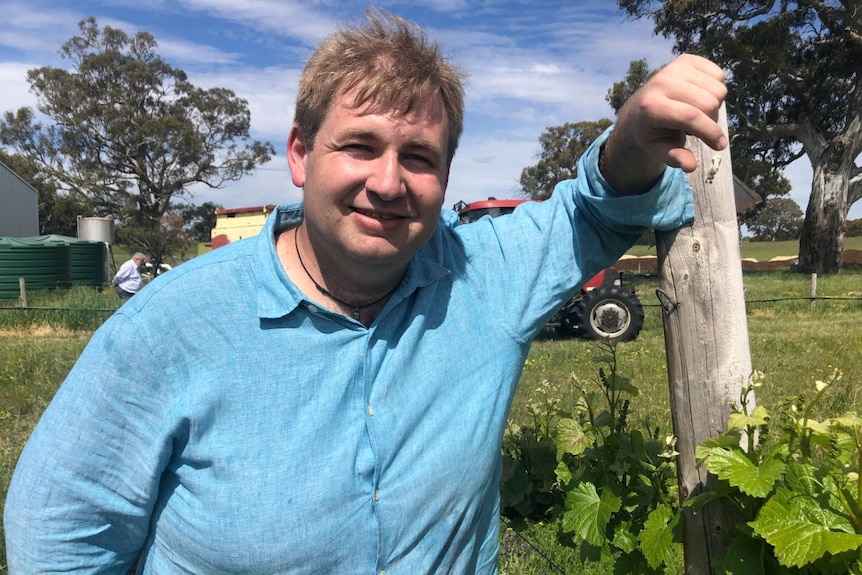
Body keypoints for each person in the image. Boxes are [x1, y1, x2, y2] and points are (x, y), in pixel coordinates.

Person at [3, 9, 728, 575]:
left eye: (419, 156)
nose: (388, 182)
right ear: (299, 154)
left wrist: (630, 137)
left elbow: (595, 209)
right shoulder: (172, 326)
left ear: (446, 175)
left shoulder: (486, 276)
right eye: (359, 146)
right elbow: (59, 531)